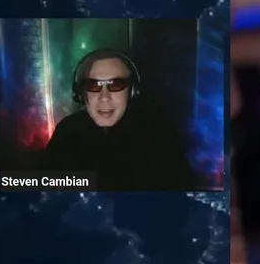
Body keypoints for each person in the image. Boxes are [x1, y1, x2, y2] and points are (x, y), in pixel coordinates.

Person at [40, 48, 197, 191]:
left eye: (115, 85)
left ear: (132, 91)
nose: (104, 97)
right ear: (80, 94)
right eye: (93, 86)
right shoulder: (67, 132)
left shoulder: (159, 136)